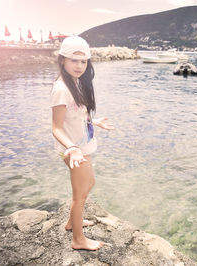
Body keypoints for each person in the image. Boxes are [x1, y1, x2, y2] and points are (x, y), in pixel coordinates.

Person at [50, 36, 113, 251]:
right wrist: (72, 148)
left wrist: (95, 121)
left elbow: (76, 115)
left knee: (89, 184)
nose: (79, 66)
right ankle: (78, 239)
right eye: (74, 61)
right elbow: (56, 127)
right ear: (62, 60)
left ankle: (71, 222)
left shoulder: (76, 83)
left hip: (81, 147)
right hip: (72, 150)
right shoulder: (61, 88)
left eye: (83, 61)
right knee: (80, 194)